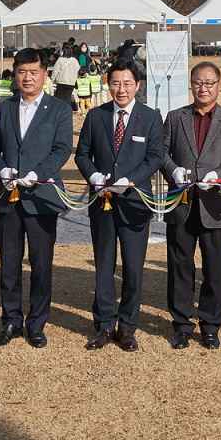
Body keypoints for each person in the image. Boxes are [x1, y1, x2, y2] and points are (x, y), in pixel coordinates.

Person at [0, 48, 74, 349]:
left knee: (41, 263)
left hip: (42, 196)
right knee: (9, 263)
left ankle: (37, 323)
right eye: (22, 72)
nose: (28, 77)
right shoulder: (5, 107)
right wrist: (2, 169)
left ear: (45, 74)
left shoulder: (59, 109)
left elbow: (61, 149)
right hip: (9, 197)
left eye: (34, 72)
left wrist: (39, 173)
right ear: (15, 74)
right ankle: (10, 320)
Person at [75, 60, 164, 352]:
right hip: (101, 202)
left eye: (127, 83)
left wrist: (130, 180)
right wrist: (94, 175)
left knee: (133, 268)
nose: (121, 89)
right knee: (103, 265)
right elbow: (82, 154)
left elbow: (154, 157)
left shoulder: (151, 117)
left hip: (135, 202)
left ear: (137, 85)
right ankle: (103, 325)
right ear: (108, 84)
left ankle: (127, 327)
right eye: (115, 83)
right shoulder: (96, 116)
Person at [160, 62, 221, 350]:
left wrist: (220, 174)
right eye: (198, 82)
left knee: (214, 268)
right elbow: (161, 151)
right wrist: (173, 170)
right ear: (191, 85)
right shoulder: (175, 117)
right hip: (181, 204)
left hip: (214, 205)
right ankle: (182, 324)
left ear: (218, 85)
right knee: (180, 266)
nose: (203, 88)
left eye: (209, 83)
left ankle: (210, 325)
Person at [51, 45, 81, 110]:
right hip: (71, 83)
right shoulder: (74, 60)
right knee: (67, 97)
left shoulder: (60, 60)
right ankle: (67, 111)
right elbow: (78, 70)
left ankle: (59, 111)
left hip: (61, 82)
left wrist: (52, 79)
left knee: (59, 98)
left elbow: (55, 71)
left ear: (63, 52)